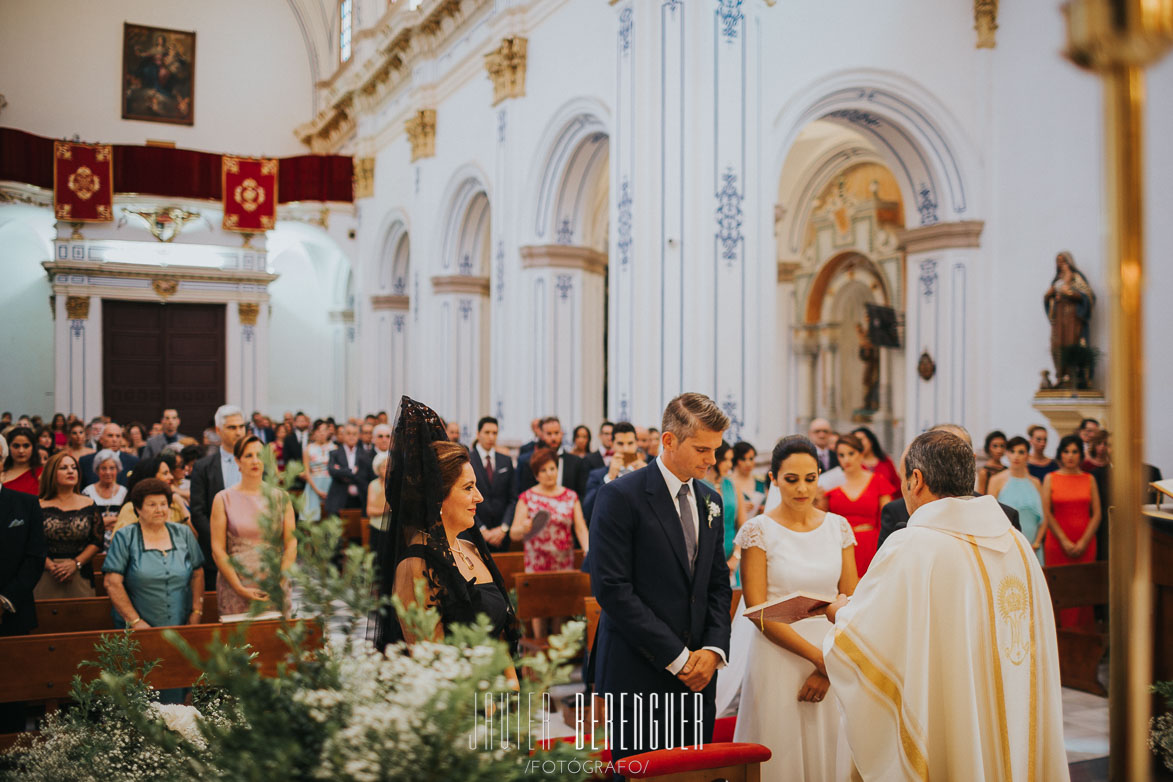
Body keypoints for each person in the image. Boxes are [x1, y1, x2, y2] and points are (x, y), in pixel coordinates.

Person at [822, 430, 1070, 781]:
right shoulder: (1015, 542)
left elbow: (865, 635)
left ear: (917, 480)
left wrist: (838, 612)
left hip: (953, 712)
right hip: (1015, 709)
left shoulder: (913, 545)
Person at [589, 393, 733, 761]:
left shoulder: (710, 499)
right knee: (642, 771)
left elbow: (717, 583)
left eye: (715, 449)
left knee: (694, 770)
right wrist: (678, 657)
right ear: (669, 441)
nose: (712, 460)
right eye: (703, 449)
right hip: (639, 669)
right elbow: (612, 589)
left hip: (699, 673)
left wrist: (713, 651)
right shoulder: (620, 496)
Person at [732, 436, 857, 780]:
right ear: (772, 479)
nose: (802, 489)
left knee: (830, 749)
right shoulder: (758, 531)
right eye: (791, 480)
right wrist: (818, 659)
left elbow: (851, 600)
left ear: (819, 475)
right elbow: (757, 611)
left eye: (810, 478)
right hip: (778, 655)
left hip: (832, 655)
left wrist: (828, 665)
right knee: (780, 754)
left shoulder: (838, 527)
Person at [375, 397, 520, 675]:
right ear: (437, 497)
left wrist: (511, 684)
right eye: (468, 488)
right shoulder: (415, 566)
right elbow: (431, 663)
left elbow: (499, 634)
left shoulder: (469, 548)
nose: (479, 497)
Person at [877, 423, 1022, 551]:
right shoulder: (899, 516)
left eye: (956, 451)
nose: (947, 459)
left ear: (971, 459)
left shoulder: (1004, 520)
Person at [209, 435, 297, 617]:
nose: (255, 461)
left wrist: (280, 580)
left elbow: (291, 544)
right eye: (248, 456)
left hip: (274, 582)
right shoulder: (223, 498)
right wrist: (239, 587)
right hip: (237, 582)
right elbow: (217, 549)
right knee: (240, 643)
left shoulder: (281, 498)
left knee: (276, 640)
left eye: (259, 455)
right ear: (237, 461)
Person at [104, 477, 204, 631]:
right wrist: (135, 621)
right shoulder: (125, 537)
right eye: (152, 505)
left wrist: (196, 611)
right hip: (137, 629)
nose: (159, 510)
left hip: (182, 625)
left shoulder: (183, 533)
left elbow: (198, 573)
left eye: (164, 504)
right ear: (138, 508)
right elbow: (112, 583)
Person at [0, 477, 46, 733]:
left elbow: (35, 556)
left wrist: (5, 600)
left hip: (12, 612)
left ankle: (11, 756)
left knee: (11, 688)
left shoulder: (25, 503)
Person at [1042, 434, 1101, 628]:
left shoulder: (1089, 478)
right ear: (1060, 454)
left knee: (1083, 592)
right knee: (1059, 591)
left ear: (1080, 455)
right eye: (1066, 451)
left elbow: (1097, 514)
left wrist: (1084, 541)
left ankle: (1085, 645)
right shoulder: (1051, 478)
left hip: (1085, 542)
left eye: (1075, 451)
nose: (1070, 455)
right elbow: (1047, 513)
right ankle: (1060, 643)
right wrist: (1064, 540)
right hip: (1057, 544)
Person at [189, 405, 249, 588]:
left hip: (252, 552)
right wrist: (220, 542)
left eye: (241, 427)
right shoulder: (203, 466)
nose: (238, 432)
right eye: (232, 428)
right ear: (218, 430)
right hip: (215, 553)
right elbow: (198, 512)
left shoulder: (258, 463)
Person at [821, 433, 893, 576]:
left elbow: (887, 519)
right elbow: (822, 518)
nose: (846, 459)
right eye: (841, 455)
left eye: (851, 453)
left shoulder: (878, 480)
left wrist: (885, 548)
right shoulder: (830, 482)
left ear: (861, 453)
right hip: (839, 545)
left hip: (871, 544)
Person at [35, 451, 102, 599]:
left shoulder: (89, 503)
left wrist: (75, 564)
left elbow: (97, 540)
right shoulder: (37, 505)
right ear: (52, 473)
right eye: (63, 468)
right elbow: (30, 542)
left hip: (80, 572)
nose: (71, 471)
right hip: (45, 573)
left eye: (74, 467)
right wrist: (52, 567)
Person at [510, 448, 589, 569]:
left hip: (564, 561)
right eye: (543, 470)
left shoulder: (571, 496)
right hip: (535, 562)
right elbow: (513, 534)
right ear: (536, 475)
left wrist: (587, 550)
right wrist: (523, 528)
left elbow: (580, 528)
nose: (549, 473)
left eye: (552, 469)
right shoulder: (527, 497)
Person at [989, 436, 1046, 566]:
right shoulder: (996, 480)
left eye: (1021, 452)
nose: (1016, 456)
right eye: (1012, 451)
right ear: (1007, 454)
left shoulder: (1036, 482)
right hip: (1007, 546)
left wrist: (1036, 543)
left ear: (1027, 455)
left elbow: (1044, 518)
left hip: (1034, 547)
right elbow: (991, 515)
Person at [1044, 251, 1096, 386]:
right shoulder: (1057, 281)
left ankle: (1074, 375)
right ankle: (1061, 375)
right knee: (1057, 344)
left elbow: (1087, 296)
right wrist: (1048, 296)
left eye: (1063, 261)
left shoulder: (1076, 278)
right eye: (1058, 262)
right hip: (1059, 317)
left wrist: (1070, 293)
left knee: (1071, 343)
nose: (1061, 264)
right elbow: (1049, 299)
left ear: (1069, 263)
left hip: (1072, 317)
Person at [112, 452, 194, 535]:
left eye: (170, 473)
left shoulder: (176, 503)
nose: (171, 477)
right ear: (151, 476)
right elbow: (119, 541)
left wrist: (181, 504)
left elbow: (195, 536)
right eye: (165, 473)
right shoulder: (132, 507)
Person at [581, 422, 646, 522]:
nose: (625, 449)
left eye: (630, 443)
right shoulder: (597, 475)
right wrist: (610, 477)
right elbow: (588, 511)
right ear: (612, 444)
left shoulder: (647, 470)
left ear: (636, 443)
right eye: (620, 444)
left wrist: (648, 475)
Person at [514, 416, 588, 498]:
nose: (553, 438)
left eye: (556, 433)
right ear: (541, 435)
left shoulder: (576, 462)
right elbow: (522, 494)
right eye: (549, 434)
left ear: (562, 433)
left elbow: (581, 495)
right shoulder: (528, 461)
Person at [469, 416, 514, 550]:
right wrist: (482, 529)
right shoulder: (468, 459)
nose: (491, 437)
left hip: (502, 535)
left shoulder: (505, 460)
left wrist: (503, 528)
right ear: (478, 434)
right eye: (487, 432)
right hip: (475, 532)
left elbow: (513, 498)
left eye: (494, 433)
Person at [703, 441, 743, 586]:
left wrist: (736, 557)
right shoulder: (698, 485)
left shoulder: (732, 485)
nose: (729, 465)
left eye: (731, 460)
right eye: (725, 460)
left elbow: (742, 525)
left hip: (733, 557)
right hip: (707, 559)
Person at [82, 449, 128, 547]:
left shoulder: (124, 492)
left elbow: (125, 520)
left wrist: (100, 522)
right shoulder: (88, 492)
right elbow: (85, 521)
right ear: (97, 470)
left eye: (112, 468)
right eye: (103, 468)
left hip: (119, 543)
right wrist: (112, 520)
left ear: (117, 469)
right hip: (93, 544)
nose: (108, 472)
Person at [325, 423, 364, 517]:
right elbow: (332, 471)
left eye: (354, 434)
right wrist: (352, 471)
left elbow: (364, 475)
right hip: (337, 499)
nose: (351, 436)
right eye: (348, 433)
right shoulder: (334, 453)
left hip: (359, 499)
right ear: (343, 435)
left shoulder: (364, 454)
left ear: (358, 436)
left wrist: (342, 471)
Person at [301, 419, 334, 522]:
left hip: (330, 484)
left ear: (328, 432)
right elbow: (306, 471)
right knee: (312, 519)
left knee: (329, 518)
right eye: (319, 430)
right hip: (313, 484)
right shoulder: (308, 449)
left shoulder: (334, 447)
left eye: (324, 430)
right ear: (314, 432)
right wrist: (317, 490)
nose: (322, 433)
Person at [1, 426, 43, 495]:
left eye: (26, 446)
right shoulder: (1, 472)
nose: (21, 451)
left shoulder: (42, 474)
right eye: (16, 446)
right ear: (8, 447)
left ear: (33, 447)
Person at [730, 441, 767, 518]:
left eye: (751, 459)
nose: (748, 463)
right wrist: (737, 506)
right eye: (743, 459)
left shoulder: (760, 482)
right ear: (735, 460)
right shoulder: (727, 482)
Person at [365, 451, 391, 553]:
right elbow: (370, 511)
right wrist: (385, 510)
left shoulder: (396, 485)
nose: (387, 470)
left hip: (391, 529)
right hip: (377, 528)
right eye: (384, 467)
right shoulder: (373, 485)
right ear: (378, 469)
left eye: (389, 466)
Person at [976, 429, 1008, 495]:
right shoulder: (984, 472)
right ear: (988, 447)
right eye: (995, 446)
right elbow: (980, 496)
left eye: (1002, 446)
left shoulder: (1007, 469)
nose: (999, 450)